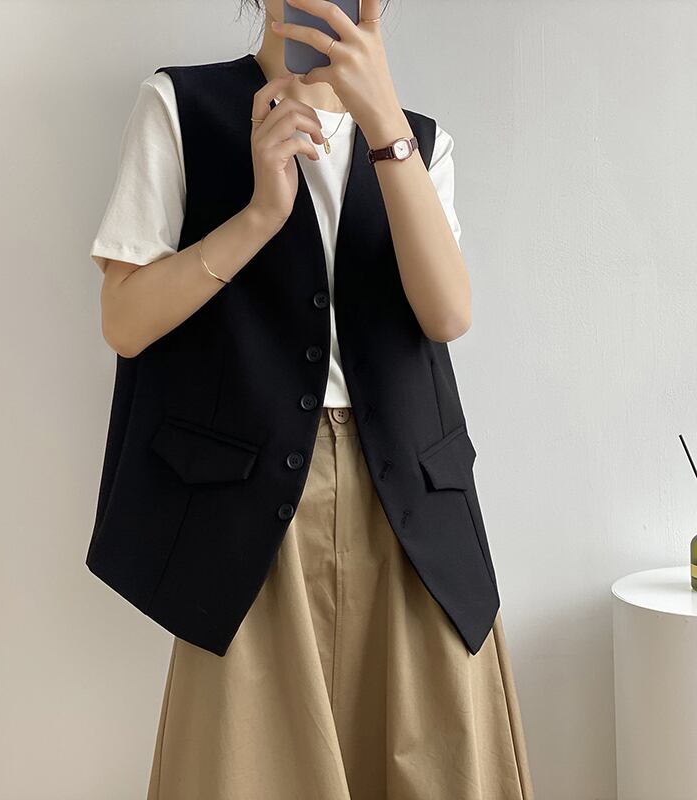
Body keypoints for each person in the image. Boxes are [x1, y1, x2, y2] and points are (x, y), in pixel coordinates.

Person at [88, 0, 535, 797]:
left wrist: (384, 125)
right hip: (248, 514)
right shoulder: (182, 107)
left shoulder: (419, 140)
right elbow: (124, 322)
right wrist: (261, 214)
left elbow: (446, 315)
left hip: (410, 510)